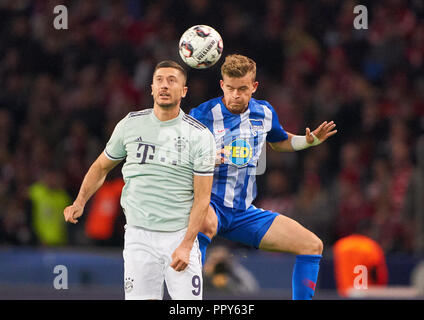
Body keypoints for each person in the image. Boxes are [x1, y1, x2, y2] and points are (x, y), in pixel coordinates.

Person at [63, 60, 216, 300]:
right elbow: (101, 166)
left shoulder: (199, 136)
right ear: (151, 88)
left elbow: (202, 197)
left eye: (172, 80)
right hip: (137, 236)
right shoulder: (130, 124)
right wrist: (80, 202)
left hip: (179, 234)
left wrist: (186, 244)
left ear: (184, 91)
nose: (164, 86)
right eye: (159, 80)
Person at [189, 54, 337, 300]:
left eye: (243, 89)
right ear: (222, 85)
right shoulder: (201, 114)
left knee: (312, 245)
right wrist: (212, 156)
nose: (236, 95)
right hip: (208, 204)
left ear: (254, 87)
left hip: (243, 212)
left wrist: (307, 141)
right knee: (205, 224)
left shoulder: (264, 112)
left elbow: (279, 142)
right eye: (231, 88)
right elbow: (179, 156)